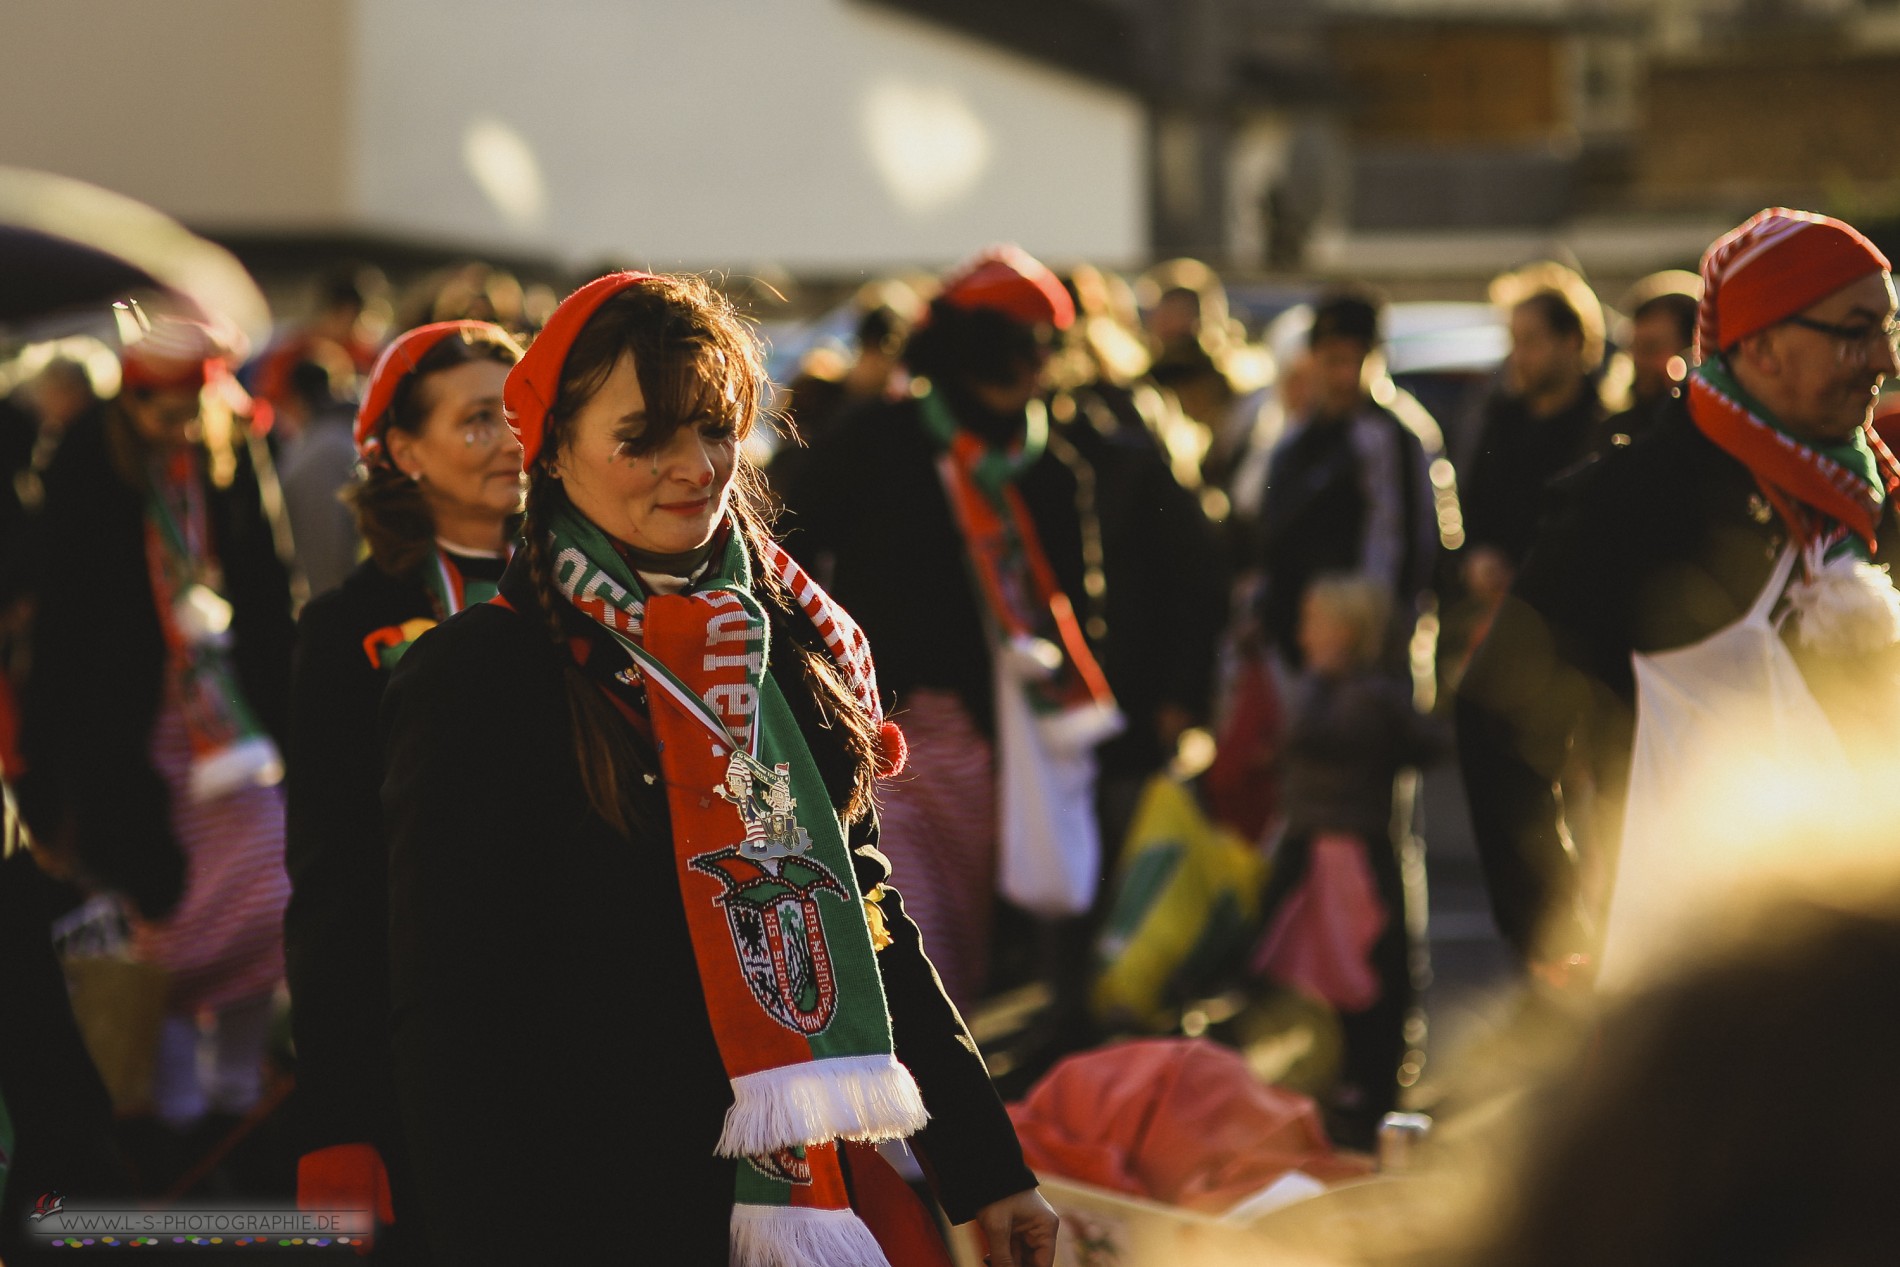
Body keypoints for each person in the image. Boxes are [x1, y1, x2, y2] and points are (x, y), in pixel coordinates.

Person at [380, 272, 1057, 1265]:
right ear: (555, 450)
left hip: (800, 1188)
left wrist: (987, 1165)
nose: (694, 466)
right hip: (589, 1206)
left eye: (714, 426)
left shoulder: (776, 640)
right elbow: (449, 1024)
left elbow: (859, 902)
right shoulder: (486, 671)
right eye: (644, 436)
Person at [1457, 208, 1900, 973]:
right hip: (1687, 973)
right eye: (1856, 331)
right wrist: (1550, 925)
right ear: (1761, 345)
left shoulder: (1868, 493)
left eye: (1891, 329)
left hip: (1857, 961)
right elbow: (1498, 711)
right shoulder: (1637, 497)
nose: (1884, 359)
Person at [783, 247, 1120, 1015]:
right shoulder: (876, 440)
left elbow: (1080, 609)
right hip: (881, 724)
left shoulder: (1054, 467)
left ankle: (946, 1095)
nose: (1037, 367)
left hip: (999, 737)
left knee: (962, 936)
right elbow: (791, 552)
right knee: (908, 929)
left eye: (1047, 348)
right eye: (1023, 347)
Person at [14, 318, 295, 1139]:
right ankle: (169, 1105)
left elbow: (270, 581)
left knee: (264, 897)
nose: (175, 429)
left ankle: (237, 1085)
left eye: (187, 413)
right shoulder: (84, 461)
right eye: (160, 414)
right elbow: (60, 622)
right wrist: (41, 765)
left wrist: (293, 702)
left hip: (230, 716)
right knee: (156, 910)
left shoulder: (233, 450)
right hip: (124, 731)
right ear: (131, 400)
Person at [283, 320, 525, 1259]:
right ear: (402, 452)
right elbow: (332, 872)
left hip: (584, 1018)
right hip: (427, 1026)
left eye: (519, 416)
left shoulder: (583, 593)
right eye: (476, 422)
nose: (510, 440)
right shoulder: (349, 625)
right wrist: (336, 1110)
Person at [1249, 574, 1444, 1146]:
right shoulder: (1319, 686)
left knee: (1358, 985)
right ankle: (1333, 1094)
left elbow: (1428, 743)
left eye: (1315, 622)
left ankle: (1361, 1097)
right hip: (1313, 852)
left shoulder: (1365, 696)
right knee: (1317, 982)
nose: (1304, 634)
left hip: (1348, 856)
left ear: (1344, 630)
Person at [1255, 290, 1445, 671]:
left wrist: (1377, 630)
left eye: (1355, 361)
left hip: (1363, 650)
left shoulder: (1392, 437)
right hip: (1299, 646)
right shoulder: (1295, 436)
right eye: (1333, 362)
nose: (1344, 377)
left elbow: (1401, 539)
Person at [1459, 270, 1608, 608]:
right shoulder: (1499, 420)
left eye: (1531, 341)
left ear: (1571, 340)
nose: (1518, 357)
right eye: (1514, 341)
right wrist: (1478, 556)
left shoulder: (1605, 427)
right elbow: (1472, 506)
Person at [1594, 273, 1700, 452]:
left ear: (1691, 352)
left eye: (1651, 348)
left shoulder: (1709, 433)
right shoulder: (1611, 429)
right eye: (1633, 348)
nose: (1638, 360)